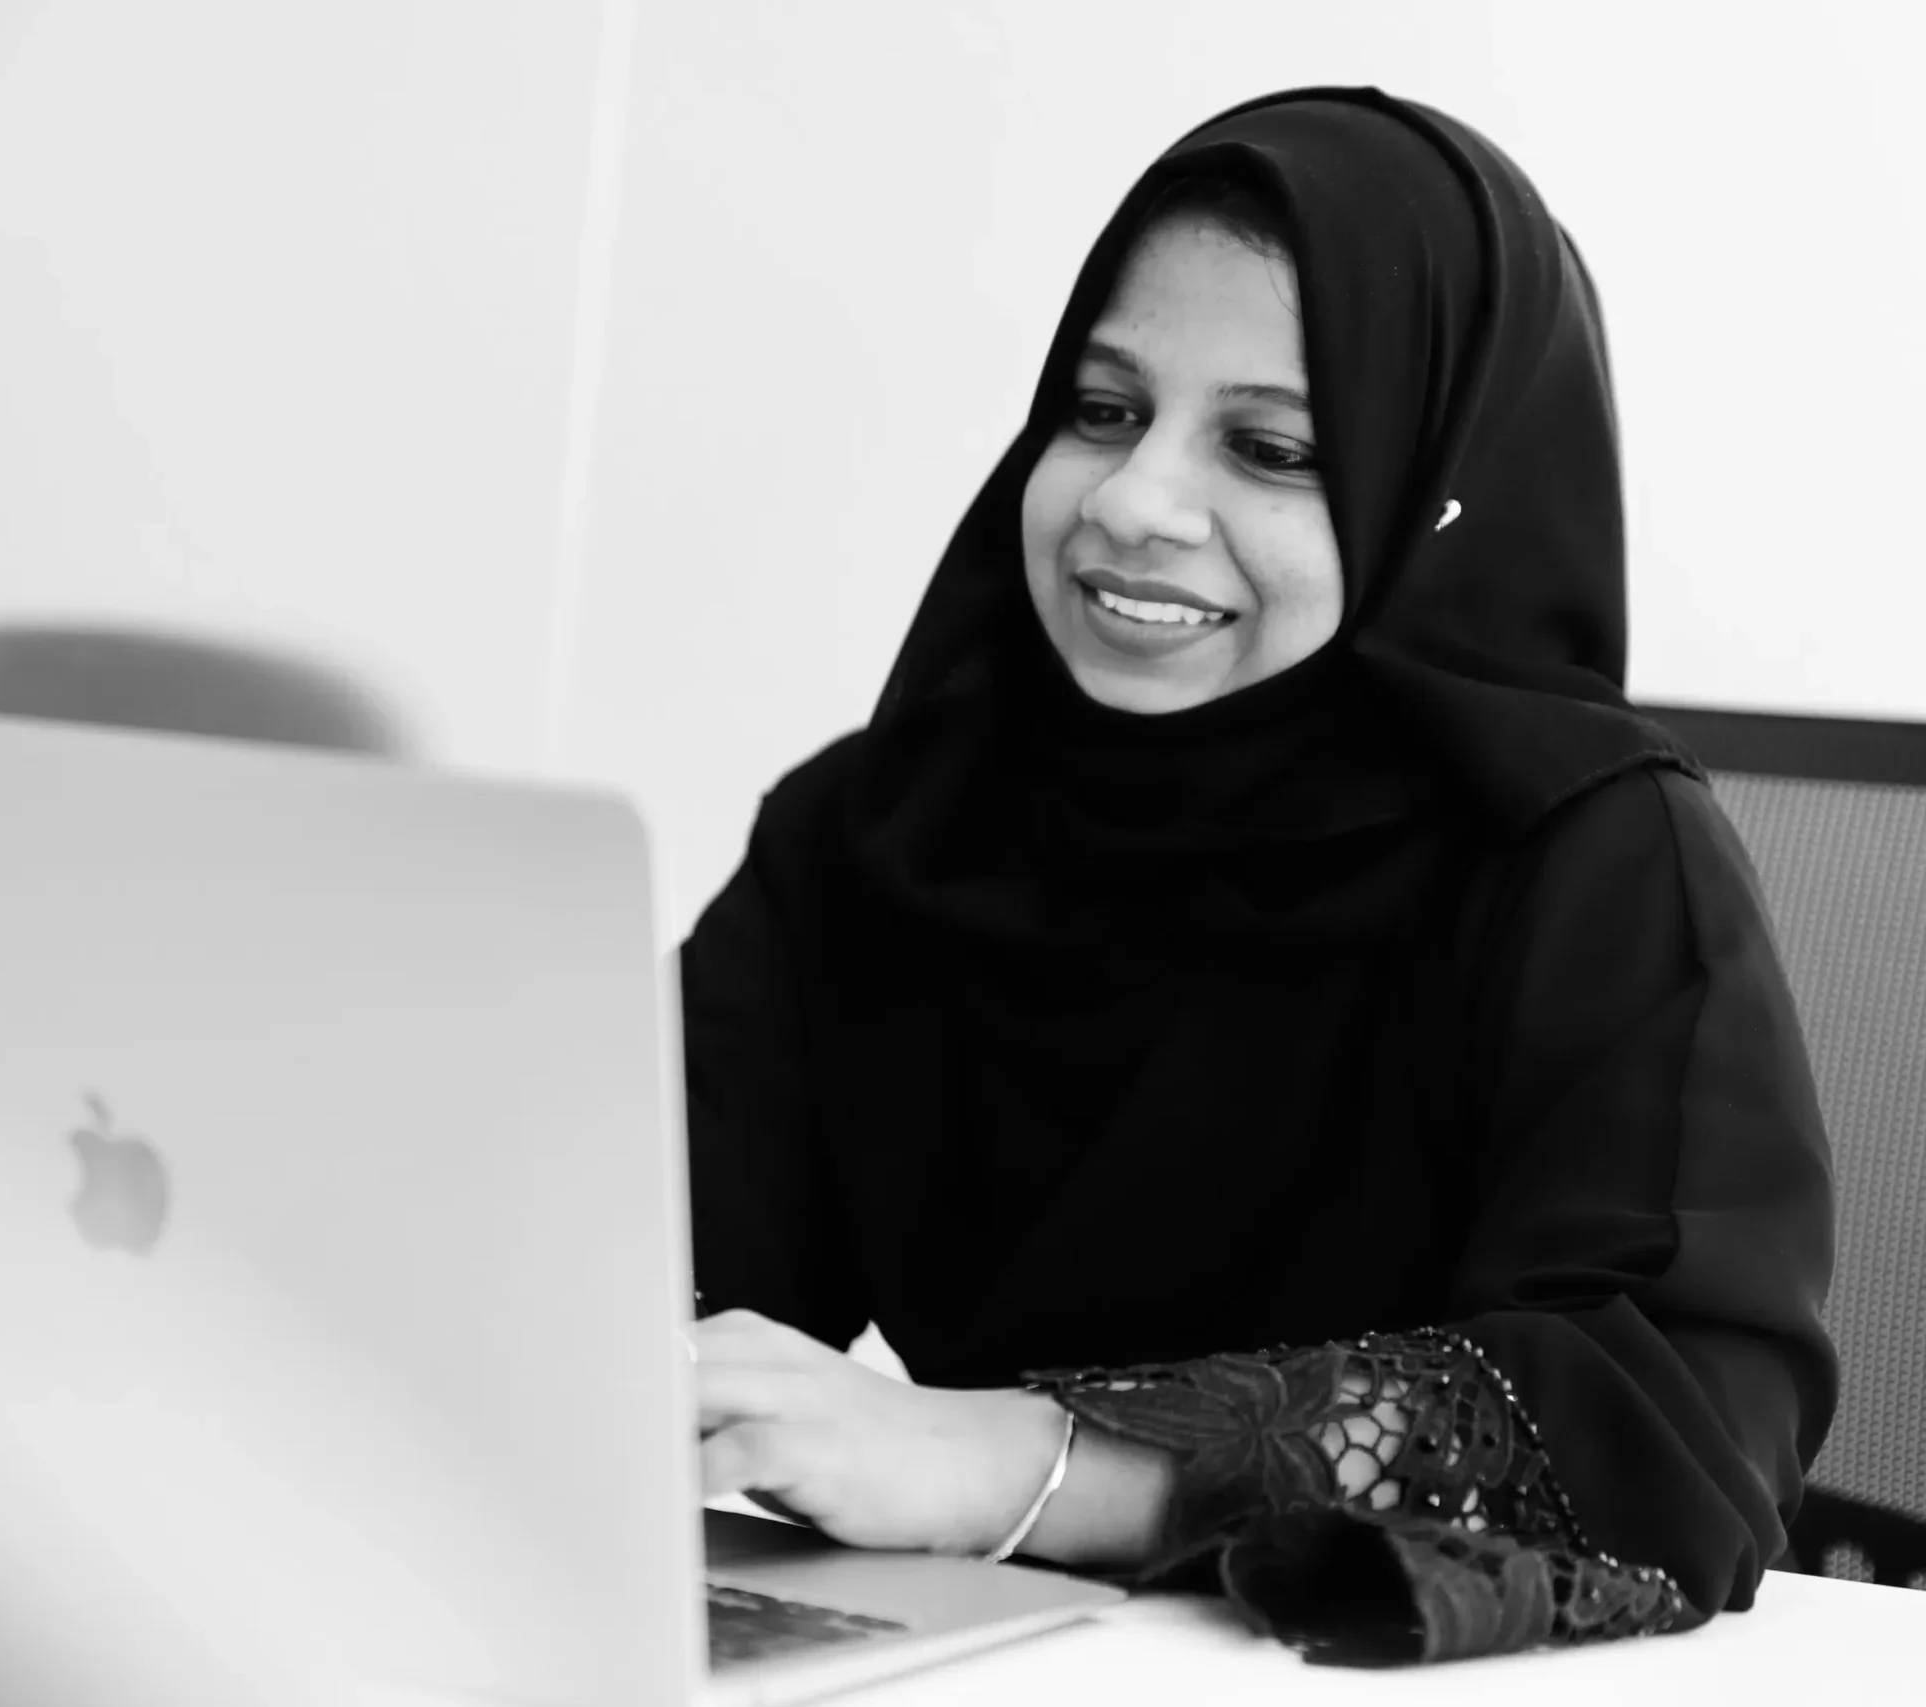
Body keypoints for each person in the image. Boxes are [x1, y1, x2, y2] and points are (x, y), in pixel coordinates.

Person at [679, 85, 1838, 1669]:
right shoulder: (888, 828)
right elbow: (640, 1273)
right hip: (978, 1660)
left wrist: (1036, 1461)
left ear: (1434, 495)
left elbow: (1670, 1427)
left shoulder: (1590, 857)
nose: (1134, 502)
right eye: (1100, 409)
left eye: (1272, 447)